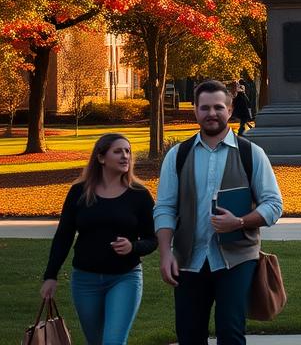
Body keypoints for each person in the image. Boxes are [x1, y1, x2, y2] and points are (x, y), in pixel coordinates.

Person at [153, 80, 284, 345]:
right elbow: (165, 208)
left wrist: (240, 221)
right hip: (189, 259)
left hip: (237, 258)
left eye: (218, 107)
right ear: (196, 111)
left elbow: (273, 205)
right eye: (205, 108)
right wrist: (166, 253)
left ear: (230, 108)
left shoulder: (252, 154)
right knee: (189, 334)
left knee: (231, 332)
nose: (211, 113)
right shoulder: (178, 155)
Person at [42, 133, 156, 345]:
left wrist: (133, 246)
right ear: (101, 158)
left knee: (113, 341)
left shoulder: (139, 194)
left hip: (125, 278)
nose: (125, 156)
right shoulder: (79, 192)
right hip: (85, 281)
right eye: (118, 151)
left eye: (128, 151)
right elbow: (64, 236)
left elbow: (153, 238)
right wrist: (51, 275)